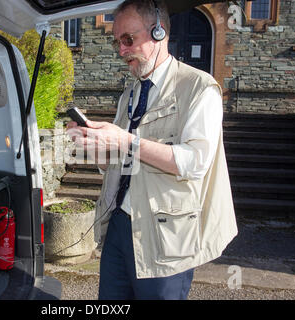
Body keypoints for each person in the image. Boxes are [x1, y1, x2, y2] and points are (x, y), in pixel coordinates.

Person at [67, 0, 237, 300]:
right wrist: (94, 143)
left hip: (164, 234)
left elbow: (195, 162)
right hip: (118, 224)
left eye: (128, 39)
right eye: (117, 41)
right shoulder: (130, 92)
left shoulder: (199, 88)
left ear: (159, 33)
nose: (121, 50)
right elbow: (115, 161)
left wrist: (125, 141)